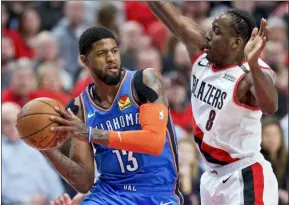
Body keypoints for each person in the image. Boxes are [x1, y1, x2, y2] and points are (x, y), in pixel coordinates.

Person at [148, 2, 278, 205]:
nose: (208, 35)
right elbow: (171, 15)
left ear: (235, 42)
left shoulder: (251, 75)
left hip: (244, 174)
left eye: (216, 32)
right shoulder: (201, 53)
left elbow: (270, 106)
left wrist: (253, 65)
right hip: (210, 175)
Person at [42, 26, 183, 205]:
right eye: (101, 53)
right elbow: (84, 182)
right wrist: (44, 147)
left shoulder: (144, 81)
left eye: (114, 51)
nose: (111, 58)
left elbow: (154, 142)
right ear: (85, 61)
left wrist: (92, 134)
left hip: (156, 192)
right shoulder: (80, 108)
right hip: (109, 193)